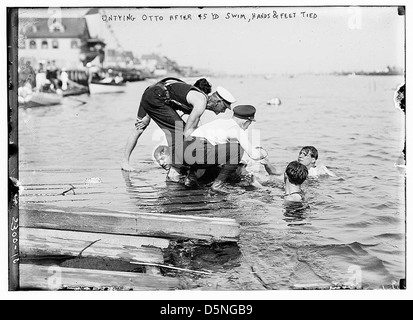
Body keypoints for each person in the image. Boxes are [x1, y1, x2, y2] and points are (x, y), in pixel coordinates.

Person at [121, 77, 236, 172]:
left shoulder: (196, 97)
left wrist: (147, 115)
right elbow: (188, 131)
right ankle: (176, 169)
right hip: (156, 97)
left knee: (141, 129)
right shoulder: (201, 102)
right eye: (224, 107)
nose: (223, 111)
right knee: (178, 130)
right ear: (218, 102)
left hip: (150, 94)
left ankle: (125, 162)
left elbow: (163, 89)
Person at [188, 104, 268, 194]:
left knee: (218, 152)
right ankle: (218, 185)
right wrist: (263, 153)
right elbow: (255, 155)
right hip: (199, 152)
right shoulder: (237, 130)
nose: (249, 125)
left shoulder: (219, 122)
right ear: (245, 121)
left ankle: (191, 178)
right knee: (237, 149)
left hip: (184, 152)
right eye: (250, 123)